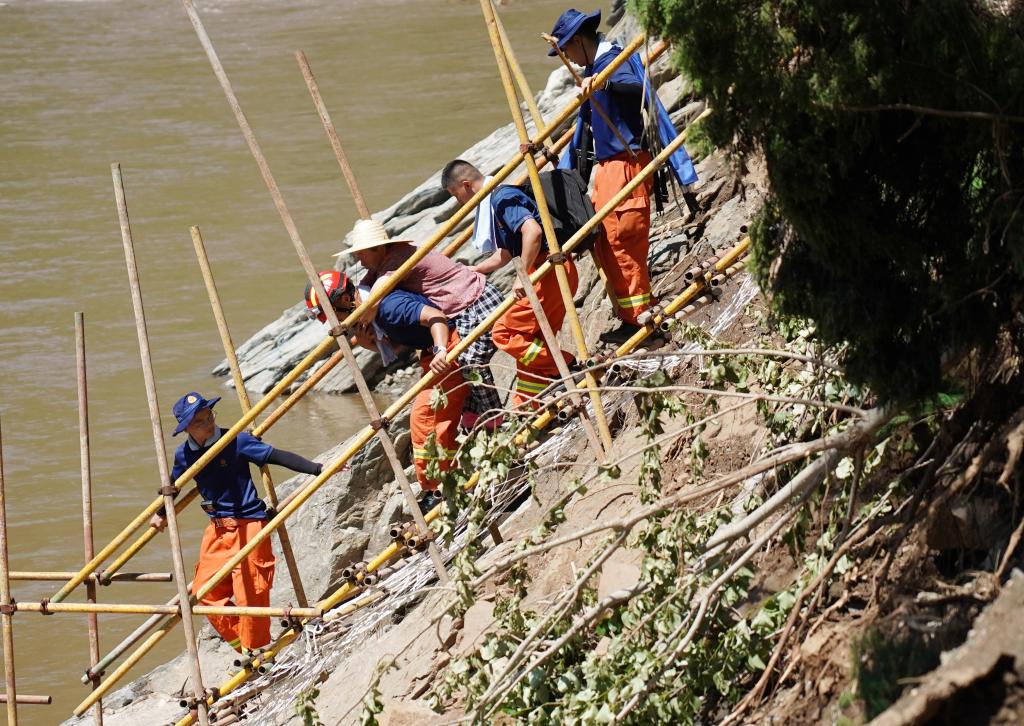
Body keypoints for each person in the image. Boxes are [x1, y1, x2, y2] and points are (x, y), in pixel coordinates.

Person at [547, 8, 699, 344]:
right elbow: (583, 132)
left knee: (623, 241)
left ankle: (642, 320)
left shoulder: (614, 61)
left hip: (626, 164)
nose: (568, 59)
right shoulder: (593, 71)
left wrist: (606, 82)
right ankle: (633, 314)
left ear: (578, 41)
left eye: (567, 50)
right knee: (605, 241)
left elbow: (639, 89)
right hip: (608, 168)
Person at [149, 392, 322, 655]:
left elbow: (275, 456)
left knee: (250, 594)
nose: (208, 424)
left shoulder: (236, 440)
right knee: (204, 594)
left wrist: (317, 468)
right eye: (199, 422)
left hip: (249, 524)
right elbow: (173, 485)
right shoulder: (184, 454)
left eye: (209, 416)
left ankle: (257, 652)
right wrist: (161, 513)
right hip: (218, 529)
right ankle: (245, 647)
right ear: (186, 429)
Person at [305, 271, 468, 513]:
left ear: (344, 300)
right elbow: (399, 344)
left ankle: (438, 489)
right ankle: (449, 479)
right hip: (434, 353)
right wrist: (368, 343)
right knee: (436, 422)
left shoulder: (387, 307)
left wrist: (441, 350)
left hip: (449, 348)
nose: (335, 322)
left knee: (424, 419)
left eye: (333, 315)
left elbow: (435, 317)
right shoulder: (373, 312)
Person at [337, 218, 502, 429]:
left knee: (470, 360)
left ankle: (495, 416)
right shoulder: (384, 261)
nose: (360, 262)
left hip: (475, 301)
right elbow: (365, 286)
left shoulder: (397, 260)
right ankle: (478, 417)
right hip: (460, 310)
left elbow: (371, 303)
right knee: (459, 368)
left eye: (361, 255)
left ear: (377, 248)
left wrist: (357, 317)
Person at [442, 159, 579, 409]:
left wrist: (522, 275)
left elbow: (533, 232)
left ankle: (568, 366)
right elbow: (505, 254)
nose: (457, 201)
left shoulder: (501, 198)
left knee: (504, 332)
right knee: (531, 341)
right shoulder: (496, 200)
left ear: (466, 185)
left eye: (455, 194)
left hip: (546, 270)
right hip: (549, 270)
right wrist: (478, 268)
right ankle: (529, 405)